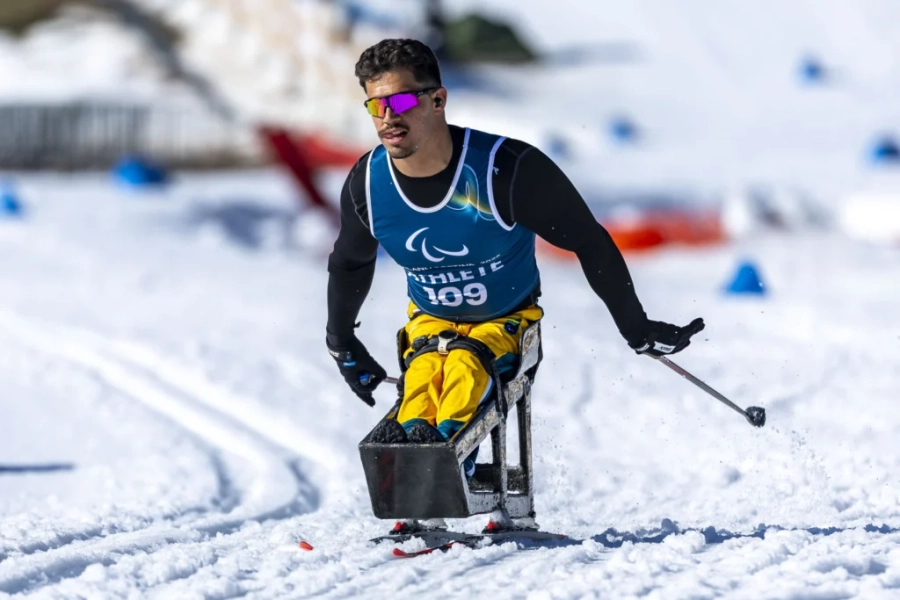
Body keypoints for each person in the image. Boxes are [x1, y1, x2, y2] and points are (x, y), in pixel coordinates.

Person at [326, 39, 705, 471]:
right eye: (376, 106)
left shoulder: (504, 169)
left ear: (438, 100)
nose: (388, 117)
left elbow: (588, 240)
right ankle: (411, 455)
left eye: (401, 101)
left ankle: (442, 460)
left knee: (466, 366)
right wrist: (342, 343)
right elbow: (349, 262)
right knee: (425, 376)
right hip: (429, 323)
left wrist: (636, 327)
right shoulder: (368, 184)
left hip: (505, 324)